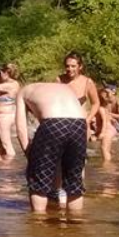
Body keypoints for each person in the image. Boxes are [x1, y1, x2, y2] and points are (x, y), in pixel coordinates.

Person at [16, 82, 89, 213]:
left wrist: (30, 156)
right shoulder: (65, 87)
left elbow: (21, 129)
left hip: (53, 122)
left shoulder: (23, 92)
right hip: (80, 123)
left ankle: (39, 224)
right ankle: (76, 227)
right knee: (74, 184)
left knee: (39, 184)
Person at [57, 52, 100, 126]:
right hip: (63, 122)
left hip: (81, 122)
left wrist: (88, 120)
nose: (70, 69)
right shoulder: (59, 80)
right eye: (67, 66)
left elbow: (96, 103)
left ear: (80, 67)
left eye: (73, 66)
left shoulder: (87, 82)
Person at [92, 88, 117, 163]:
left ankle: (107, 166)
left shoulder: (100, 108)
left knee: (104, 148)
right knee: (107, 149)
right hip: (110, 129)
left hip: (107, 130)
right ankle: (109, 165)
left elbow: (104, 121)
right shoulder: (104, 107)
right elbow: (109, 118)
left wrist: (102, 132)